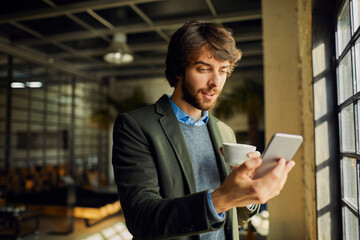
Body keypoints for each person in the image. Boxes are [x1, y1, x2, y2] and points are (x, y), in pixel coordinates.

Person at [112, 20, 295, 240]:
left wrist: (249, 193)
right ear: (179, 69)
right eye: (204, 69)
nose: (216, 82)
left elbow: (232, 220)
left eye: (223, 71)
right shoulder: (136, 126)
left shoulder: (225, 131)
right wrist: (223, 197)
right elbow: (141, 218)